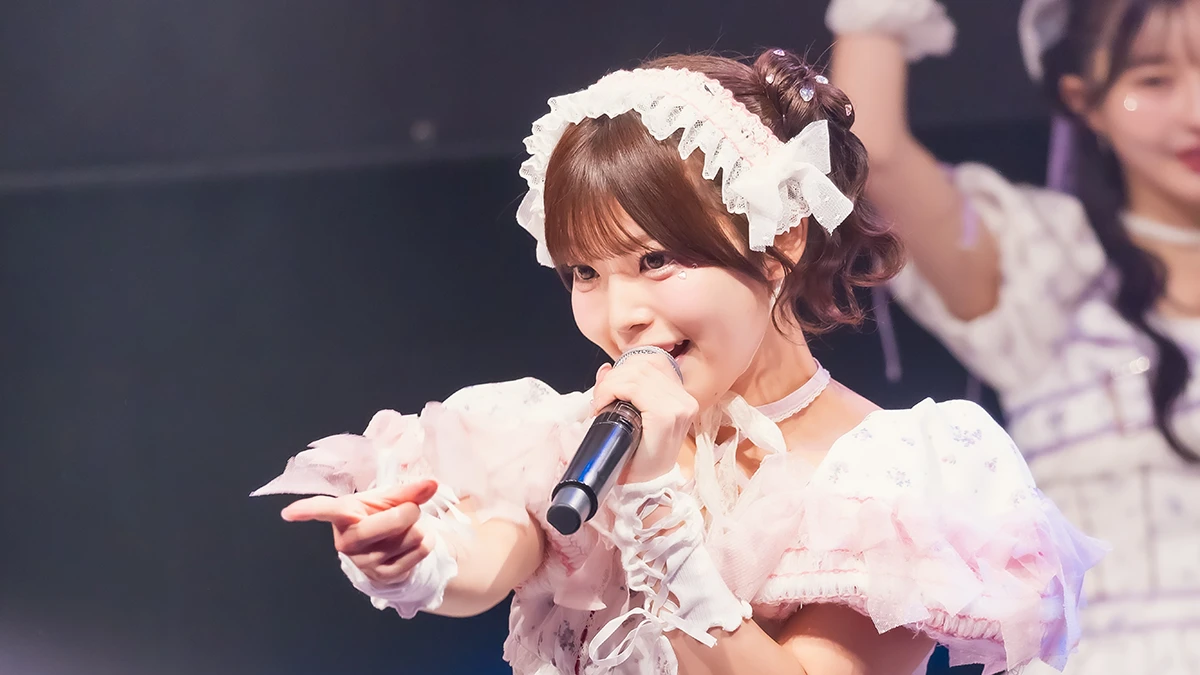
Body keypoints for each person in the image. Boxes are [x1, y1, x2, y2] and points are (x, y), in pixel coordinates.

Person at [253, 49, 1101, 675]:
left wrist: (657, 504)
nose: (620, 313)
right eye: (586, 273)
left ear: (780, 240)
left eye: (655, 260)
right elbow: (494, 554)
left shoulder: (891, 474)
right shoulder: (582, 437)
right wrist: (415, 556)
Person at [827, 0, 1200, 672]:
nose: (1195, 112)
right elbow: (874, 145)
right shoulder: (1051, 263)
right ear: (1084, 101)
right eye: (1153, 80)